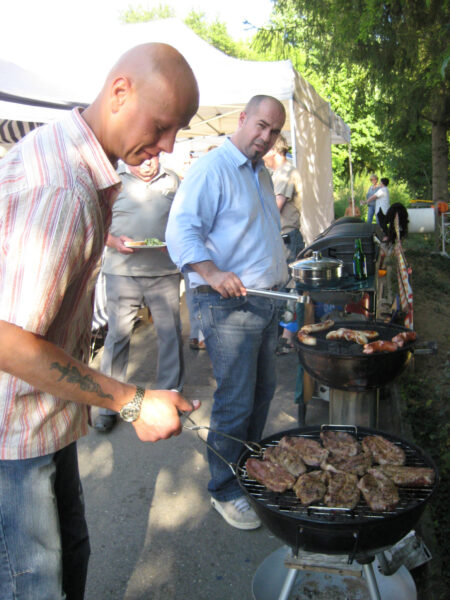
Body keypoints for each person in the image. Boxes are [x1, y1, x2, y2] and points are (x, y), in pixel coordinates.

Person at [0, 43, 200, 600]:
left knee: (71, 559)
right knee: (36, 586)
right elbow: (8, 341)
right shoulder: (63, 186)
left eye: (177, 131)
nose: (168, 145)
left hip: (44, 414)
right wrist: (132, 402)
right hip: (13, 435)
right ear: (119, 92)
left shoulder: (71, 156)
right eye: (161, 126)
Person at [166, 95, 288, 531]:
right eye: (261, 125)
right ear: (243, 118)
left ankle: (248, 472)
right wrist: (212, 272)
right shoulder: (212, 168)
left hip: (265, 299)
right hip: (227, 304)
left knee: (262, 392)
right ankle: (224, 489)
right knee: (236, 400)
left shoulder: (261, 173)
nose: (266, 137)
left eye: (274, 131)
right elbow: (180, 229)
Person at [94, 156, 185, 433]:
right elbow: (95, 222)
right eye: (142, 158)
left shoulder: (173, 180)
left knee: (170, 335)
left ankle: (170, 395)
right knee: (118, 336)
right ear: (129, 156)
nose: (148, 163)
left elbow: (184, 217)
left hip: (164, 271)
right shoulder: (111, 180)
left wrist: (175, 240)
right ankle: (109, 403)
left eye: (153, 157)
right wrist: (112, 241)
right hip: (122, 272)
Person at [263, 134, 304, 355]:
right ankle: (284, 336)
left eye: (265, 149)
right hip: (281, 238)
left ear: (273, 150)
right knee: (282, 287)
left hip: (287, 238)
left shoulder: (286, 173)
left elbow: (274, 208)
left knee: (287, 288)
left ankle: (287, 339)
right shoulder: (278, 173)